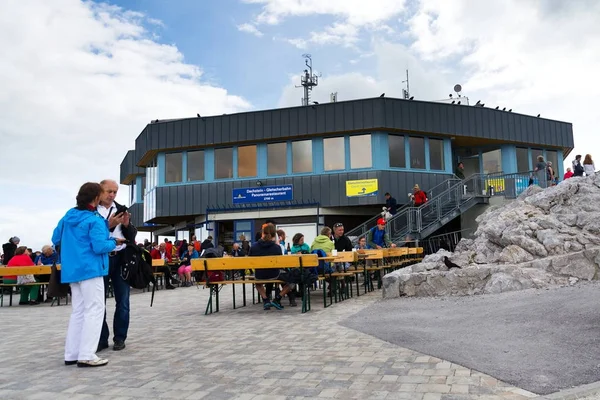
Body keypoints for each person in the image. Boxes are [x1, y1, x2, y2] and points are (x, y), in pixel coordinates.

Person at [52, 182, 125, 367]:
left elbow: (55, 238)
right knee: (94, 310)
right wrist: (114, 242)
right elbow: (100, 246)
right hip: (91, 269)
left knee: (78, 311)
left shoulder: (68, 216)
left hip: (72, 270)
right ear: (95, 197)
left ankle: (72, 353)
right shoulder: (95, 219)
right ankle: (87, 354)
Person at [97, 179, 138, 353]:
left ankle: (120, 337)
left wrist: (127, 225)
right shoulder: (91, 211)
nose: (112, 195)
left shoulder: (121, 209)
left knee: (123, 300)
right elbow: (90, 234)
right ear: (100, 191)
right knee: (99, 301)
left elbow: (131, 236)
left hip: (121, 257)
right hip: (102, 258)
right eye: (109, 191)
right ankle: (101, 338)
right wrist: (109, 225)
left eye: (115, 191)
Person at [249, 223, 291, 310]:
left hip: (259, 275)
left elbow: (249, 260)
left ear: (262, 233)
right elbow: (280, 264)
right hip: (274, 274)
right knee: (292, 281)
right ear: (273, 235)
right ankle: (277, 299)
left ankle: (265, 300)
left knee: (258, 283)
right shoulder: (276, 247)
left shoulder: (254, 246)